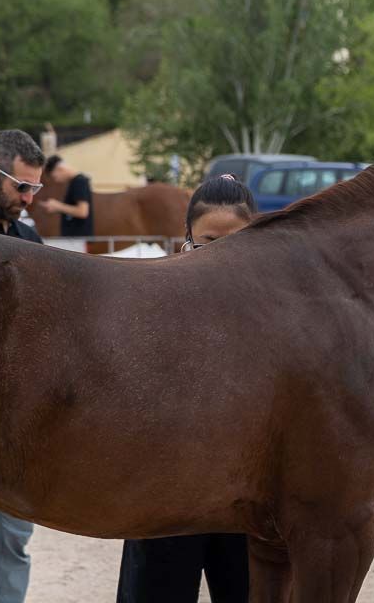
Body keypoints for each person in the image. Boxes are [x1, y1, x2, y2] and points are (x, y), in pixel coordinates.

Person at [115, 174, 258, 603]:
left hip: (246, 507)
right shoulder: (153, 307)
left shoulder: (278, 316)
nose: (221, 258)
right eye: (208, 242)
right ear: (186, 242)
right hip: (166, 504)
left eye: (235, 243)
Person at [0, 129, 47, 603]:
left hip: (14, 424)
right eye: (20, 187)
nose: (28, 198)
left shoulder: (30, 239)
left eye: (35, 189)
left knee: (12, 539)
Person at [39, 156, 94, 238]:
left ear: (60, 169)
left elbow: (82, 212)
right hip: (75, 239)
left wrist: (58, 206)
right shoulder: (75, 182)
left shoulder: (79, 181)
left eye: (54, 177)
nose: (56, 180)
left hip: (78, 240)